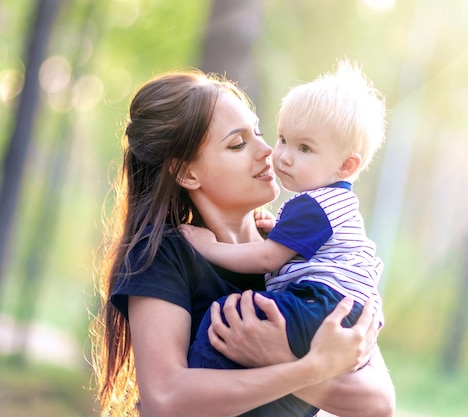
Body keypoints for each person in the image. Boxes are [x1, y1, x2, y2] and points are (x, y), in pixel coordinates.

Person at [89, 68, 395, 417]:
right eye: (238, 143)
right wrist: (306, 369)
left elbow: (379, 403)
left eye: (261, 133)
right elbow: (166, 398)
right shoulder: (166, 255)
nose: (267, 150)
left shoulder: (302, 255)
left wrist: (275, 355)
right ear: (187, 173)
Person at [182, 62, 387, 406]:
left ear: (346, 166)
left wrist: (210, 247)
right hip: (348, 308)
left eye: (304, 148)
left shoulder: (310, 206)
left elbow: (267, 257)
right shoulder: (337, 204)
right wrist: (279, 230)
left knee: (225, 318)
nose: (283, 157)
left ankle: (192, 403)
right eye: (282, 139)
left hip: (321, 303)